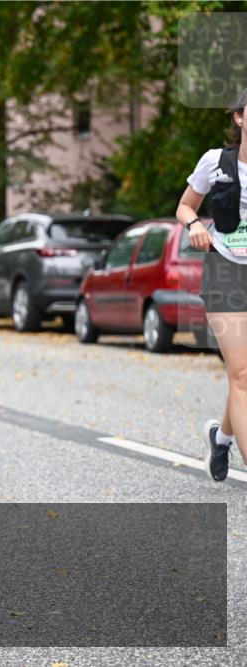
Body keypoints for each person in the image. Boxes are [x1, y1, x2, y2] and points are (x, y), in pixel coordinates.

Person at [177, 86, 247, 483]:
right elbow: (186, 205)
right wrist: (193, 225)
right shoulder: (215, 162)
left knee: (246, 376)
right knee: (241, 375)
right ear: (240, 118)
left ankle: (220, 438)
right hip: (224, 269)